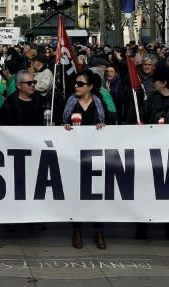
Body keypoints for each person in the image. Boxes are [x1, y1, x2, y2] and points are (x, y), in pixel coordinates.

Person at [137, 68, 169, 242]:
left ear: (164, 83)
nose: (152, 84)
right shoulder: (150, 101)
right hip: (151, 152)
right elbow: (142, 118)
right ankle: (142, 228)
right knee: (146, 191)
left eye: (155, 81)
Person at [61, 70, 108, 250]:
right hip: (74, 156)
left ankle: (99, 231)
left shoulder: (99, 103)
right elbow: (61, 121)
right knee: (77, 195)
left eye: (80, 84)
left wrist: (103, 126)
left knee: (96, 195)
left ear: (90, 87)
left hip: (95, 156)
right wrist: (64, 126)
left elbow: (110, 120)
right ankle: (77, 231)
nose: (76, 86)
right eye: (75, 83)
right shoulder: (71, 103)